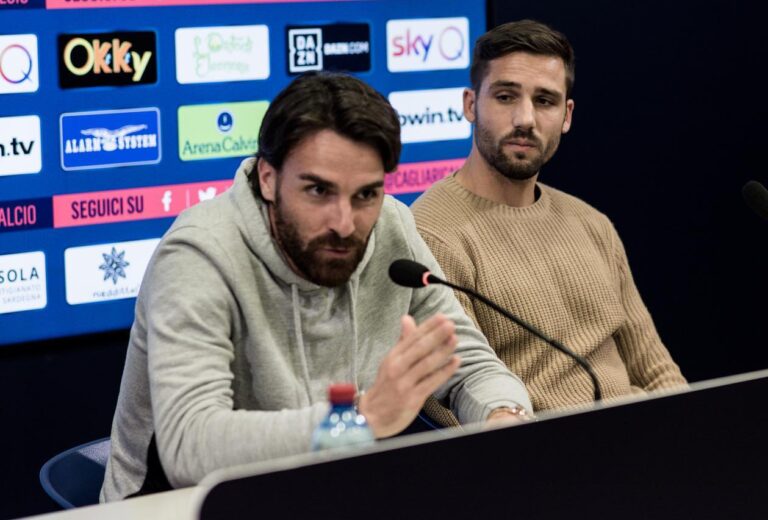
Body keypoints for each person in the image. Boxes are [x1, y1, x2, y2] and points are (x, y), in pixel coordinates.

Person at [100, 72, 532, 502]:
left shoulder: (392, 226)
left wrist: (504, 416)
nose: (344, 224)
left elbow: (468, 364)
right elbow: (189, 447)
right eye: (318, 190)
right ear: (268, 178)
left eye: (366, 195)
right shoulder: (199, 254)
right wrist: (358, 420)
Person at [412, 20, 686, 425]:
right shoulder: (428, 234)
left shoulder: (592, 224)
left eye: (545, 101)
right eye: (505, 96)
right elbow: (449, 406)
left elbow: (655, 369)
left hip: (645, 450)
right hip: (537, 463)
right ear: (470, 104)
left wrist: (691, 436)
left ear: (566, 115)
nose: (525, 118)